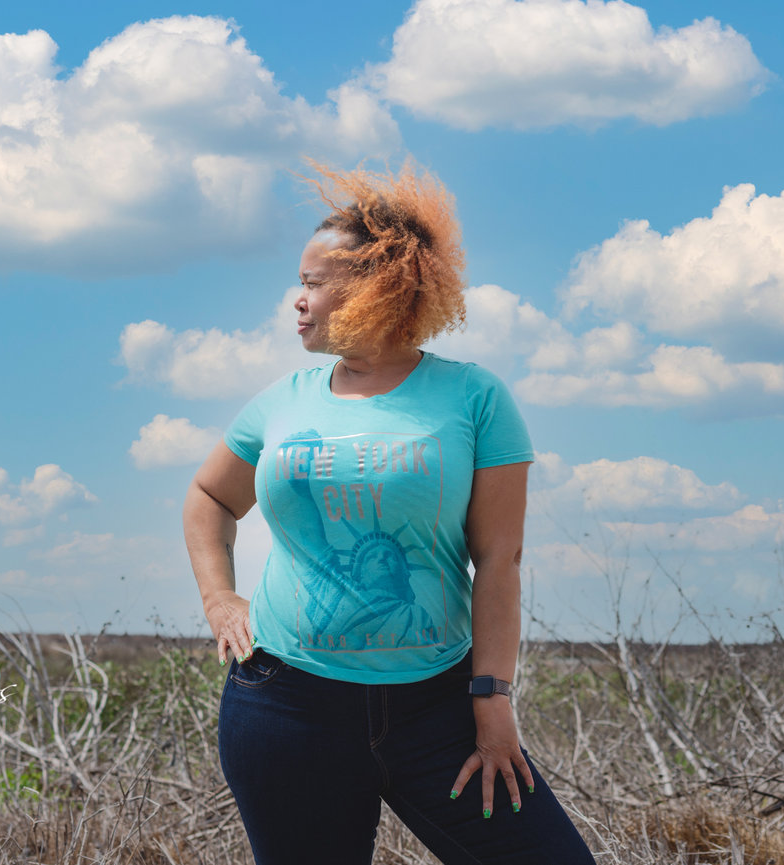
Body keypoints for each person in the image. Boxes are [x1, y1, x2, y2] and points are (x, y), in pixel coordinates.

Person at [182, 162, 595, 865]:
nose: (297, 299)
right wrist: (220, 597)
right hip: (285, 703)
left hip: (438, 710)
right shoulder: (283, 400)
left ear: (378, 283)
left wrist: (492, 698)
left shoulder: (473, 398)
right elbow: (211, 499)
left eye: (313, 282)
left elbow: (500, 557)